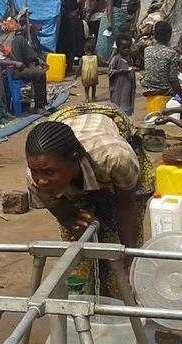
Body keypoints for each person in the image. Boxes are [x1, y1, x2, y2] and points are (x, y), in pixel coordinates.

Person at [25, 104, 155, 295]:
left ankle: (120, 297)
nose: (41, 180)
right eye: (35, 172)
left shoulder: (115, 158)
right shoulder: (36, 178)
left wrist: (129, 262)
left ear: (74, 160)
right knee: (80, 262)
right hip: (63, 121)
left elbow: (126, 208)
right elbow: (62, 211)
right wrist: (73, 221)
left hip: (105, 127)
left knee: (119, 265)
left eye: (50, 172)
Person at [141, 21, 182, 113]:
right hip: (165, 91)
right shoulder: (171, 53)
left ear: (154, 34)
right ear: (169, 36)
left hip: (148, 89)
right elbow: (173, 80)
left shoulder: (147, 50)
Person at [7, 20, 49, 114]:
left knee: (40, 71)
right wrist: (15, 63)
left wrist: (38, 60)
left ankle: (42, 104)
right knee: (39, 74)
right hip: (13, 70)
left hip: (21, 67)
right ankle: (39, 106)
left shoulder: (20, 39)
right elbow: (0, 60)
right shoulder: (9, 41)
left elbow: (29, 55)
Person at [57, 0, 86, 70]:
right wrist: (80, 10)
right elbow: (79, 1)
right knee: (75, 41)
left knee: (65, 41)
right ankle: (72, 65)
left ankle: (66, 65)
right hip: (74, 19)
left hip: (65, 17)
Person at [108, 34, 137, 117]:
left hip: (128, 88)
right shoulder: (116, 59)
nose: (126, 50)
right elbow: (110, 72)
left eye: (128, 47)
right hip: (118, 89)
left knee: (126, 110)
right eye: (124, 48)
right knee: (117, 110)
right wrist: (121, 71)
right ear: (118, 48)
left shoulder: (129, 59)